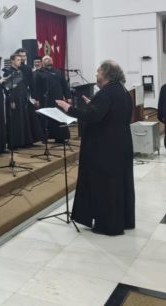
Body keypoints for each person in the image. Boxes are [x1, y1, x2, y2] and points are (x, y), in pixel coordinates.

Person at [56, 60, 135, 236]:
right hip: (121, 143)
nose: (96, 75)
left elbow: (94, 116)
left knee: (105, 185)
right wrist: (93, 103)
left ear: (106, 74)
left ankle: (108, 225)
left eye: (98, 72)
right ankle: (124, 220)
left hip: (106, 146)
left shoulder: (107, 92)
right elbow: (108, 113)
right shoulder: (121, 90)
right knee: (119, 184)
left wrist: (69, 108)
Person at [3, 53, 42, 148]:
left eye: (20, 60)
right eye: (18, 60)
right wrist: (11, 100)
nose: (20, 62)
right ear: (12, 61)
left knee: (23, 120)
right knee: (15, 121)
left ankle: (24, 141)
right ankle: (15, 143)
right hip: (14, 100)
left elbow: (24, 85)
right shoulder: (8, 72)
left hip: (22, 98)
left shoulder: (20, 71)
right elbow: (7, 88)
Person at [34, 55, 70, 143]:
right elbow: (36, 88)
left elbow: (64, 85)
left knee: (59, 117)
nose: (48, 60)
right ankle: (44, 138)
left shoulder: (58, 72)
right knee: (45, 119)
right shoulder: (39, 73)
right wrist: (36, 99)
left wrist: (68, 97)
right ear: (42, 63)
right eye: (45, 59)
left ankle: (60, 138)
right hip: (45, 100)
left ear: (52, 61)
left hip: (58, 98)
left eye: (49, 59)